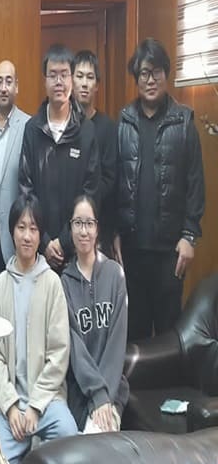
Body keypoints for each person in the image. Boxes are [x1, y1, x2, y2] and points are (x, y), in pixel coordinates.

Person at [115, 38, 205, 340]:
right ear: (136, 78)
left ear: (166, 75)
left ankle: (170, 389)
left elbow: (195, 183)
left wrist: (190, 235)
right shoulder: (125, 122)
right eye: (143, 73)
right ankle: (138, 389)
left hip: (170, 251)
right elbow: (116, 181)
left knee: (168, 331)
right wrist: (114, 231)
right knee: (136, 330)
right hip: (132, 248)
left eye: (156, 72)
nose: (150, 80)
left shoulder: (183, 122)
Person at [0, 194, 76, 463]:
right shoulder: (0, 286)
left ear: (41, 235)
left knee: (71, 443)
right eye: (21, 227)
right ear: (12, 232)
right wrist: (11, 406)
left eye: (34, 229)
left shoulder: (52, 284)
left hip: (47, 402)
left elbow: (59, 355)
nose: (27, 236)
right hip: (11, 406)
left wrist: (36, 406)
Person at [18, 44, 100, 270]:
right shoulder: (32, 129)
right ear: (44, 80)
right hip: (39, 250)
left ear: (72, 79)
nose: (59, 82)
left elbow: (90, 192)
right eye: (52, 75)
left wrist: (64, 241)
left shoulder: (86, 131)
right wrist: (44, 242)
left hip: (77, 249)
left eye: (64, 75)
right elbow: (26, 189)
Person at [61, 195, 128, 433]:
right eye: (78, 223)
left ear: (97, 229)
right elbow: (75, 348)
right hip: (81, 390)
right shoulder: (64, 283)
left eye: (89, 223)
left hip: (112, 388)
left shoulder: (115, 275)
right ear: (70, 228)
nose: (84, 231)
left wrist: (103, 396)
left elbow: (116, 344)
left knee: (99, 437)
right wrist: (94, 393)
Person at [0, 60, 30, 290]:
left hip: (15, 236)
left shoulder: (29, 127)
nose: (4, 87)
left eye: (9, 81)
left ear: (16, 87)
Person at [72, 50, 118, 257]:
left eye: (90, 77)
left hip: (98, 227)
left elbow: (110, 178)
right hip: (65, 227)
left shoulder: (108, 128)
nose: (84, 83)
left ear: (97, 85)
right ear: (70, 80)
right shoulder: (63, 125)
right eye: (79, 76)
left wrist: (85, 199)